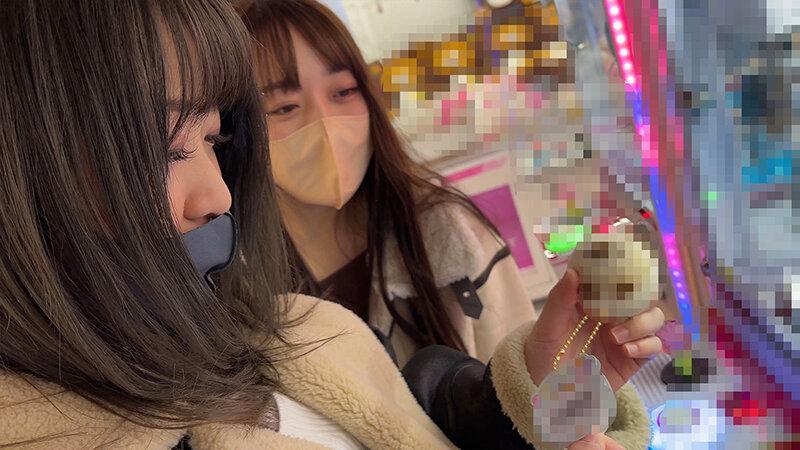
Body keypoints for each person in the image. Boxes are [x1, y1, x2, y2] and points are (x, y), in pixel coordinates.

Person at [0, 0, 662, 448]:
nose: (217, 195)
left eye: (212, 139)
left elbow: (408, 411)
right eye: (166, 147)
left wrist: (542, 393)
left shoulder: (295, 320)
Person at [239, 0, 538, 365]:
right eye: (284, 108)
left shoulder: (447, 228)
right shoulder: (233, 288)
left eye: (344, 92)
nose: (326, 124)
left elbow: (526, 377)